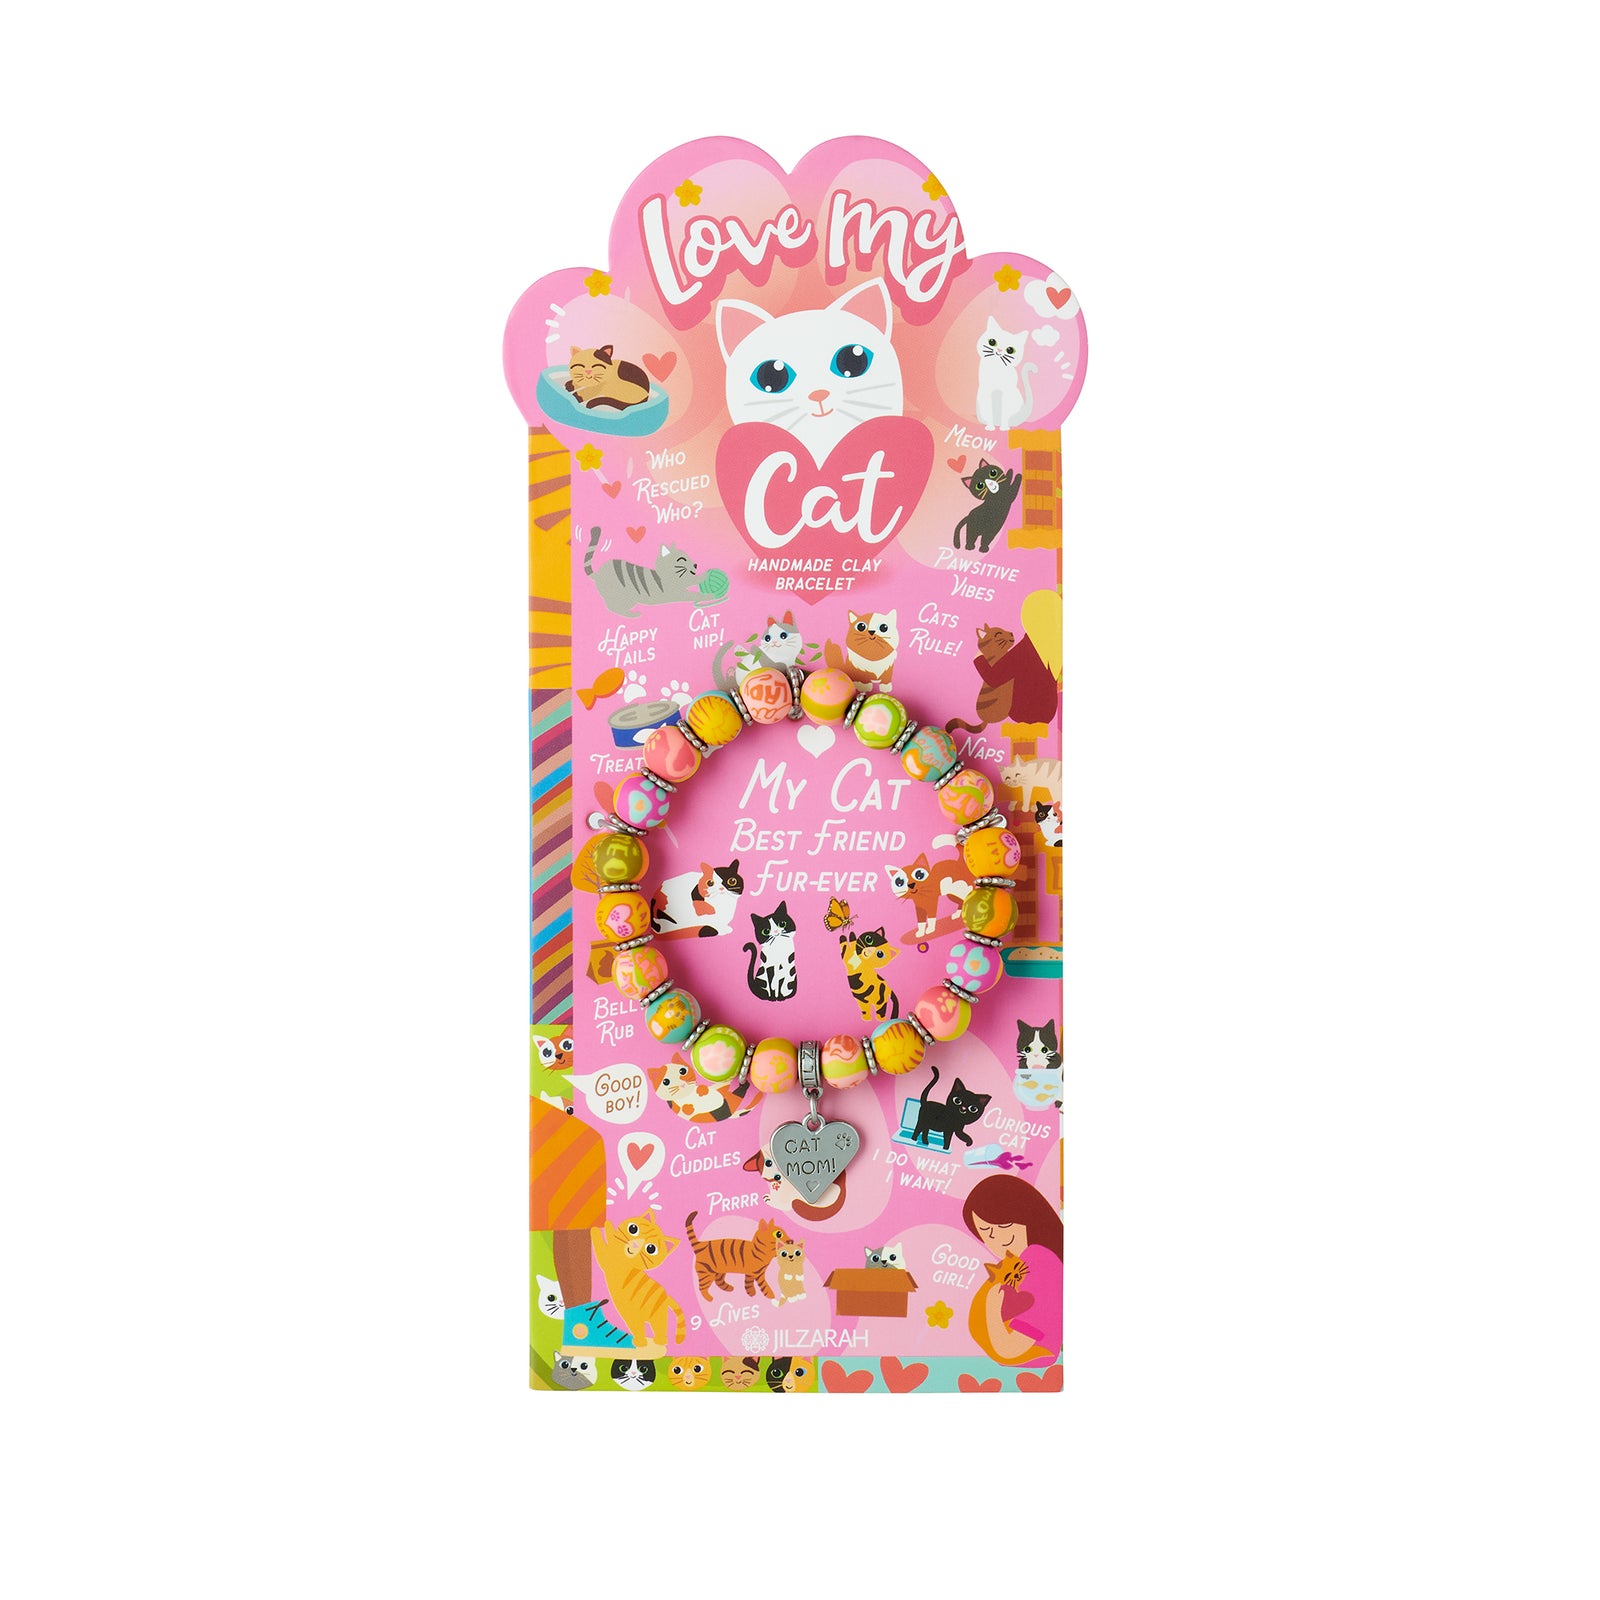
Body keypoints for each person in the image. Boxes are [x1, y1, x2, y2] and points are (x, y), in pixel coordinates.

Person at [961, 1174, 1062, 1366]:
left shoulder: (1039, 1263)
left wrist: (992, 1308)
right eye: (986, 1231)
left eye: (1004, 1225)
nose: (995, 1237)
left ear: (1028, 1217)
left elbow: (1009, 1348)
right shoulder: (1017, 1263)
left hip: (1033, 1360)